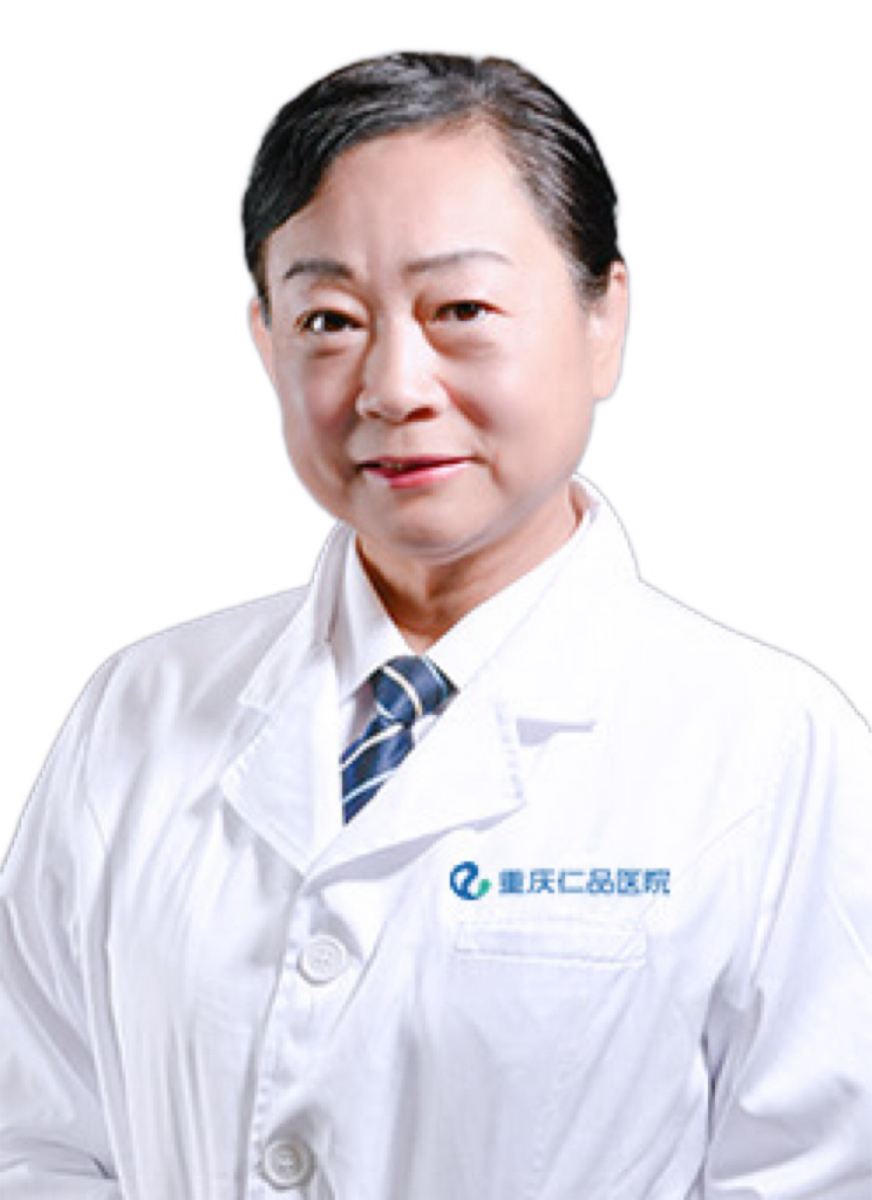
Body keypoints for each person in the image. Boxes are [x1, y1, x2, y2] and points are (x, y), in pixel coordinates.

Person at [1, 50, 870, 1200]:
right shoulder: (139, 707)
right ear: (265, 340)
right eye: (327, 318)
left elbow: (819, 1173)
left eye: (460, 309)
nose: (392, 386)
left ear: (602, 319)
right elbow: (36, 1142)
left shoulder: (769, 747)